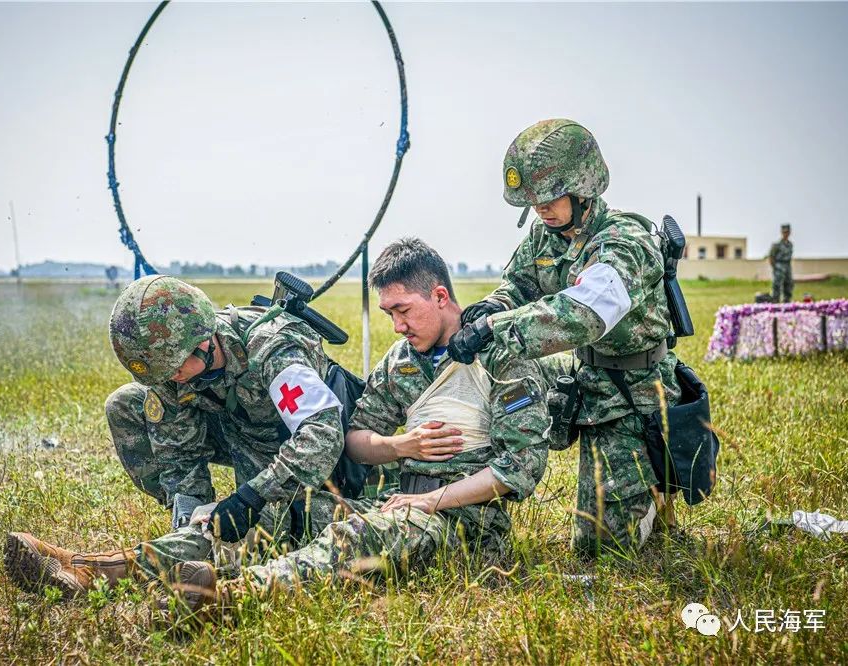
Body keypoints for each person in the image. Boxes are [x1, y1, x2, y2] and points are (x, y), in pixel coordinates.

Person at [163, 238, 572, 618]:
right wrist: (400, 446)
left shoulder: (500, 356)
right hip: (396, 505)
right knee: (280, 512)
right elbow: (355, 440)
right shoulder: (401, 360)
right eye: (389, 314)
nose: (397, 326)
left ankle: (225, 598)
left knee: (357, 536)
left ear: (440, 296)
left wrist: (431, 501)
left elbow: (519, 469)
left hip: (468, 526)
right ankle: (139, 565)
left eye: (404, 310)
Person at [5, 275, 363, 598]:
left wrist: (252, 497)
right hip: (240, 437)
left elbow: (323, 435)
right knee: (127, 404)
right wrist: (192, 517)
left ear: (204, 341)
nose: (173, 378)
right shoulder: (170, 372)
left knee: (262, 531)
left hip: (314, 468)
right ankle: (183, 545)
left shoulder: (272, 347)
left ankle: (97, 571)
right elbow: (178, 455)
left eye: (176, 368)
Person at [448, 118, 682, 557]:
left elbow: (584, 314)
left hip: (635, 394)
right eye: (534, 202)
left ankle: (654, 503)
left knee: (601, 549)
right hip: (586, 376)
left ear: (583, 188)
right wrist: (493, 307)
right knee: (498, 368)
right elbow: (518, 285)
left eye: (550, 199)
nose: (541, 210)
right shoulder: (545, 235)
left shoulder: (625, 242)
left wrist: (495, 328)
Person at [768, 224, 793, 303]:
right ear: (782, 232)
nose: (786, 234)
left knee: (788, 283)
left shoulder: (790, 244)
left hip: (787, 265)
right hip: (779, 266)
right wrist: (775, 267)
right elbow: (771, 257)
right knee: (777, 284)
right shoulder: (777, 245)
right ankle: (775, 300)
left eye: (787, 232)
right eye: (784, 232)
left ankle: (787, 300)